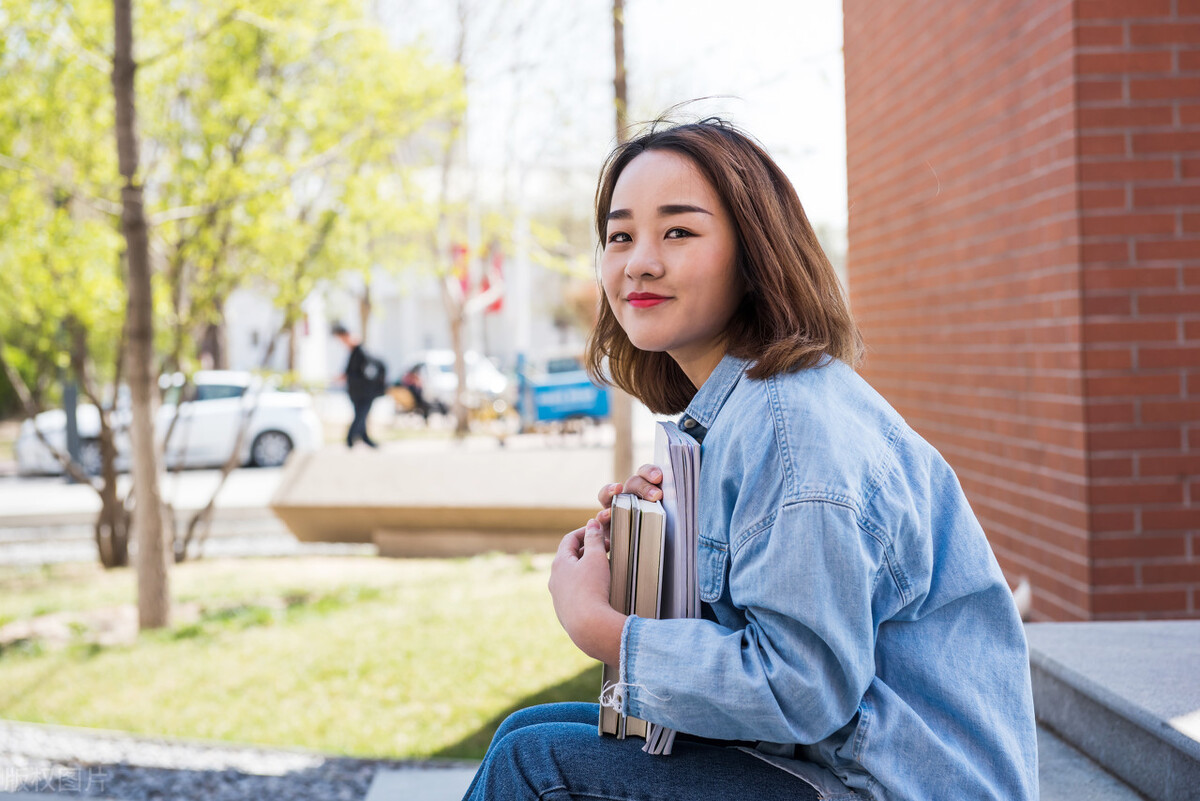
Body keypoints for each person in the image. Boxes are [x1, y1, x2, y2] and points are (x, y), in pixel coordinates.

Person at [461, 119, 1039, 801]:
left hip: (891, 785)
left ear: (753, 253)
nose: (639, 261)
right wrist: (662, 555)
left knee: (536, 766)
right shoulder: (742, 411)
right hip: (839, 763)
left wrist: (604, 629)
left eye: (678, 231)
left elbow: (801, 688)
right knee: (528, 729)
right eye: (621, 235)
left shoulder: (793, 432)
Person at [332, 322, 379, 448]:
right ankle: (361, 438)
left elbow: (364, 371)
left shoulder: (360, 351)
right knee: (361, 415)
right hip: (357, 391)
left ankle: (352, 439)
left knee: (361, 415)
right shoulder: (353, 352)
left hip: (364, 390)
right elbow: (351, 371)